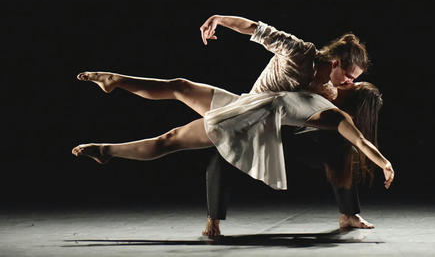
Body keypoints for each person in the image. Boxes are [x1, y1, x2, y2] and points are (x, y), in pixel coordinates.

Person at [71, 72, 395, 235]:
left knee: (169, 139)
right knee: (180, 85)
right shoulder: (323, 88)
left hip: (245, 119)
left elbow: (361, 144)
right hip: (243, 102)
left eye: (353, 83)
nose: (348, 81)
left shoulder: (338, 117)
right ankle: (116, 81)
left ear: (354, 100)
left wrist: (384, 163)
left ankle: (107, 151)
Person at [197, 15, 372, 236]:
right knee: (221, 152)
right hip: (255, 124)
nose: (350, 82)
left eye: (354, 79)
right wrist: (219, 19)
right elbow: (255, 29)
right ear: (335, 62)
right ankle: (213, 222)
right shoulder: (299, 52)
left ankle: (349, 214)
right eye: (349, 76)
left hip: (290, 134)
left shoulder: (331, 86)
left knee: (341, 144)